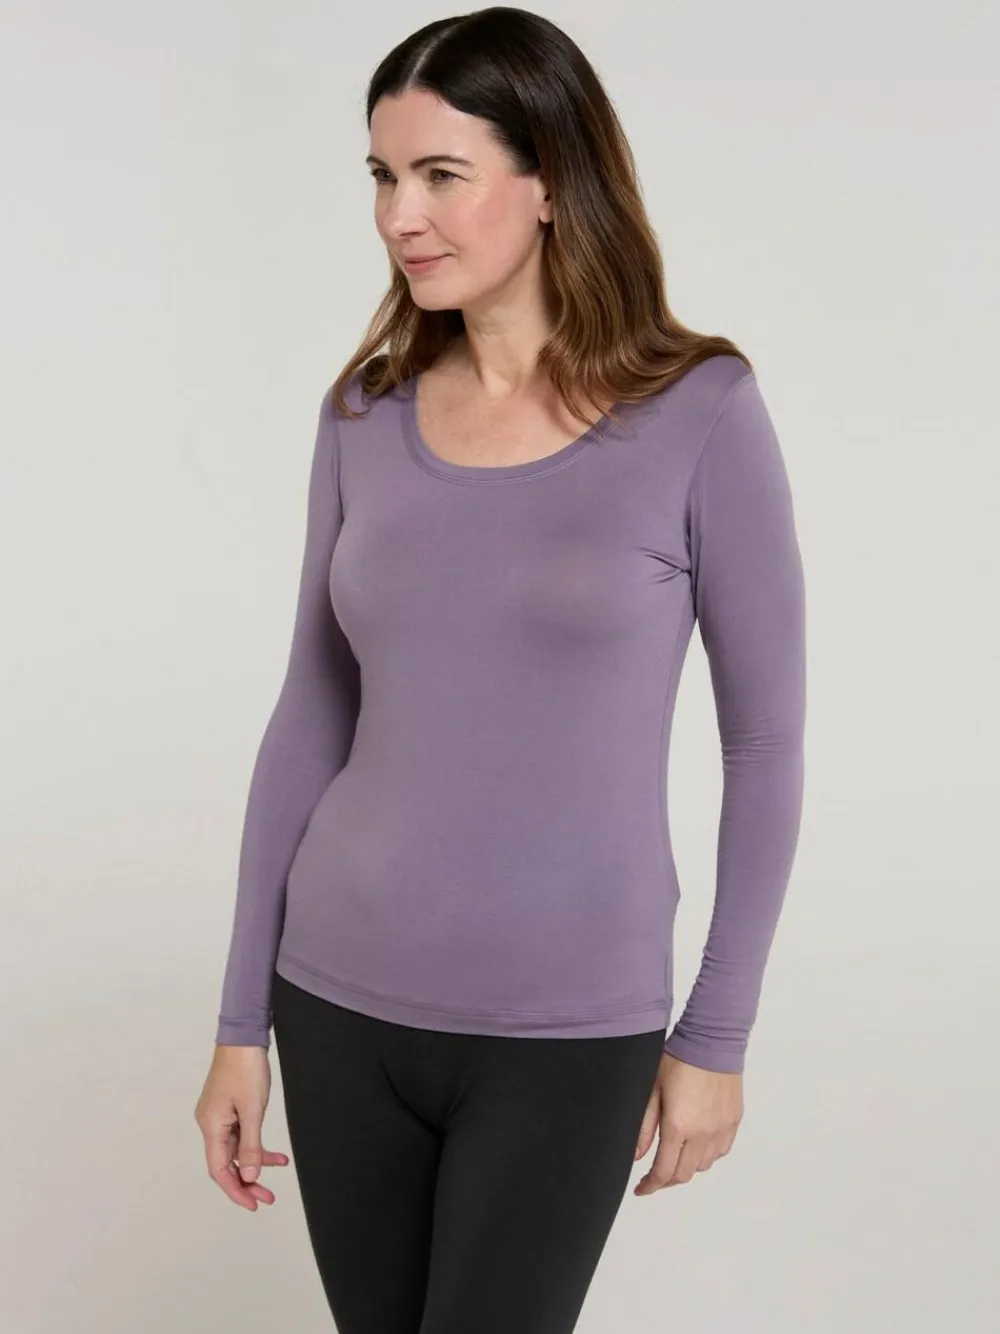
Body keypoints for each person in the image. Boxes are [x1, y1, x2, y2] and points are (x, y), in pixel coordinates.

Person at [194, 8, 807, 1332]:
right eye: (383, 175)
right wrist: (240, 1023)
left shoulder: (700, 412)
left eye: (440, 174)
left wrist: (716, 1034)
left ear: (550, 182)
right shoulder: (363, 412)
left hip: (568, 1024)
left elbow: (764, 744)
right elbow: (310, 714)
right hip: (337, 996)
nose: (398, 215)